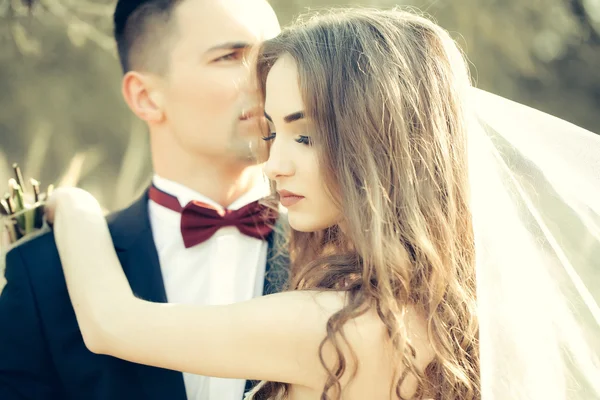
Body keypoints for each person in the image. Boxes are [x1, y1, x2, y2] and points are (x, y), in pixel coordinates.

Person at [47, 8, 481, 400]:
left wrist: (72, 204)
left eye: (306, 136)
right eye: (273, 133)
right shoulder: (456, 309)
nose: (273, 165)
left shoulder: (327, 325)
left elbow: (113, 323)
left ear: (383, 140)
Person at [0, 0, 285, 399]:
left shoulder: (349, 255)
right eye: (231, 56)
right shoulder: (45, 273)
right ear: (145, 96)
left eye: (273, 55)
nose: (268, 78)